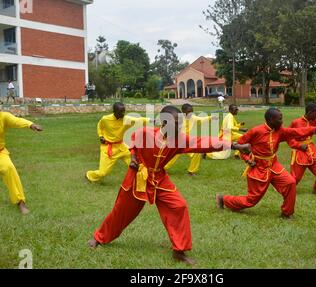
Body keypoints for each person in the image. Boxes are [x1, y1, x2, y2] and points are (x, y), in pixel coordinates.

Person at [87, 105, 251, 265]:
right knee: (122, 210)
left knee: (178, 206)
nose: (179, 127)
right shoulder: (145, 133)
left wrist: (236, 146)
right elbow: (133, 145)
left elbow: (205, 142)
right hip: (139, 178)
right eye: (175, 124)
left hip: (159, 178)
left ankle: (179, 252)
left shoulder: (180, 140)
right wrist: (134, 158)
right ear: (164, 123)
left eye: (180, 123)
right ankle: (98, 238)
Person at [216, 108, 316, 219]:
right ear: (271, 120)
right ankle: (223, 199)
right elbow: (240, 145)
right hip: (258, 167)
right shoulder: (256, 131)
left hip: (274, 165)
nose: (282, 121)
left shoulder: (280, 130)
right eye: (279, 119)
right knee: (252, 200)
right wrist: (247, 159)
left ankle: (287, 213)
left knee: (290, 182)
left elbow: (296, 131)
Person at [85, 102, 150, 183]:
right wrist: (100, 135)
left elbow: (139, 120)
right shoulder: (105, 119)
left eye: (124, 111)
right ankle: (89, 175)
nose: (123, 114)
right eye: (121, 112)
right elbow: (100, 126)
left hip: (121, 147)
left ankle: (142, 182)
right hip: (108, 149)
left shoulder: (126, 119)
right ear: (115, 111)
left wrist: (151, 120)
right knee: (102, 173)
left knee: (136, 164)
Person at [164, 103, 216, 176]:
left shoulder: (193, 118)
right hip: (177, 141)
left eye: (192, 111)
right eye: (189, 112)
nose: (191, 113)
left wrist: (211, 117)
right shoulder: (177, 118)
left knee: (197, 152)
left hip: (187, 142)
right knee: (171, 157)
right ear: (183, 111)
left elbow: (202, 120)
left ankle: (191, 171)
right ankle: (161, 169)